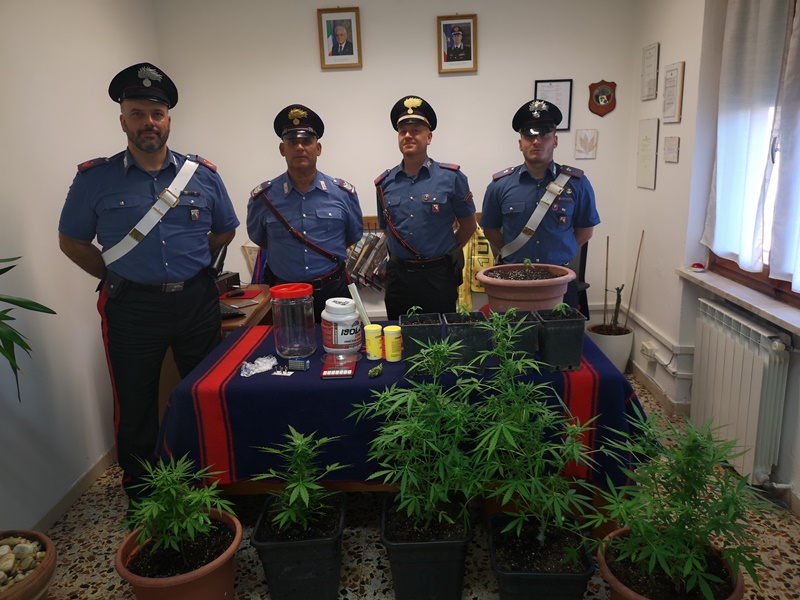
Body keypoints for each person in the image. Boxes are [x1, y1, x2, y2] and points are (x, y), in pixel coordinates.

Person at [58, 62, 240, 504]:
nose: (148, 123)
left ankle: (208, 484)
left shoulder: (202, 175)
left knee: (205, 390)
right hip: (132, 308)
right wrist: (114, 275)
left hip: (196, 301)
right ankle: (142, 495)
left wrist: (190, 264)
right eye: (137, 114)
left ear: (169, 120)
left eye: (156, 114)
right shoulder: (95, 179)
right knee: (135, 401)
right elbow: (72, 241)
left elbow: (224, 231)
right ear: (123, 121)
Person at [247, 104, 363, 321]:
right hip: (285, 293)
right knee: (288, 342)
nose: (300, 147)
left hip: (333, 291)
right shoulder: (263, 198)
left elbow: (351, 236)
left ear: (318, 148)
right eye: (292, 142)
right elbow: (260, 239)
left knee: (338, 341)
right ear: (282, 149)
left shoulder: (343, 194)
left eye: (307, 141)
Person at [480, 99, 600, 308]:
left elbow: (585, 231)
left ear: (555, 141)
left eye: (544, 134)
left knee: (561, 331)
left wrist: (559, 253)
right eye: (529, 135)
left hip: (560, 280)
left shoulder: (577, 184)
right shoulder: (499, 186)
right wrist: (512, 252)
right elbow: (490, 230)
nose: (537, 141)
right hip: (513, 280)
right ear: (520, 143)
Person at [375, 95, 477, 320]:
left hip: (438, 277)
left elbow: (469, 226)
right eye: (403, 131)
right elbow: (387, 229)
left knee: (441, 335)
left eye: (415, 130)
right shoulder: (385, 183)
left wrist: (444, 252)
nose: (408, 136)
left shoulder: (451, 178)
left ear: (429, 137)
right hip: (399, 278)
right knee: (398, 335)